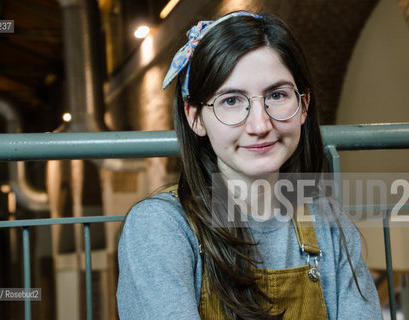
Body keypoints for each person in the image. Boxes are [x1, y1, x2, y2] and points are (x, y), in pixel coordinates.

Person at [117, 11, 382, 320]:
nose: (260, 124)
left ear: (304, 105)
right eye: (231, 100)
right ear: (194, 117)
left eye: (278, 95)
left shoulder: (329, 224)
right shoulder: (160, 227)